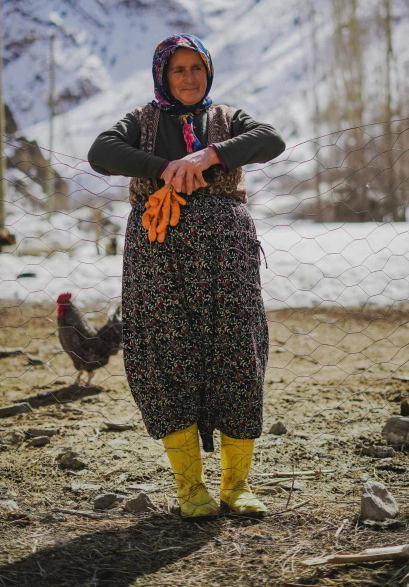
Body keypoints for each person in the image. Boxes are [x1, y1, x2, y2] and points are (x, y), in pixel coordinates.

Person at [88, 33, 285, 520]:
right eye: (179, 70)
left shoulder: (227, 120)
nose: (190, 78)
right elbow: (100, 152)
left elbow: (271, 140)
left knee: (237, 352)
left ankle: (236, 486)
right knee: (166, 353)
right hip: (159, 258)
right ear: (162, 75)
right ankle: (190, 487)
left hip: (227, 259)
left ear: (209, 71)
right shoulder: (142, 120)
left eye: (197, 68)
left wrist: (208, 156)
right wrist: (166, 167)